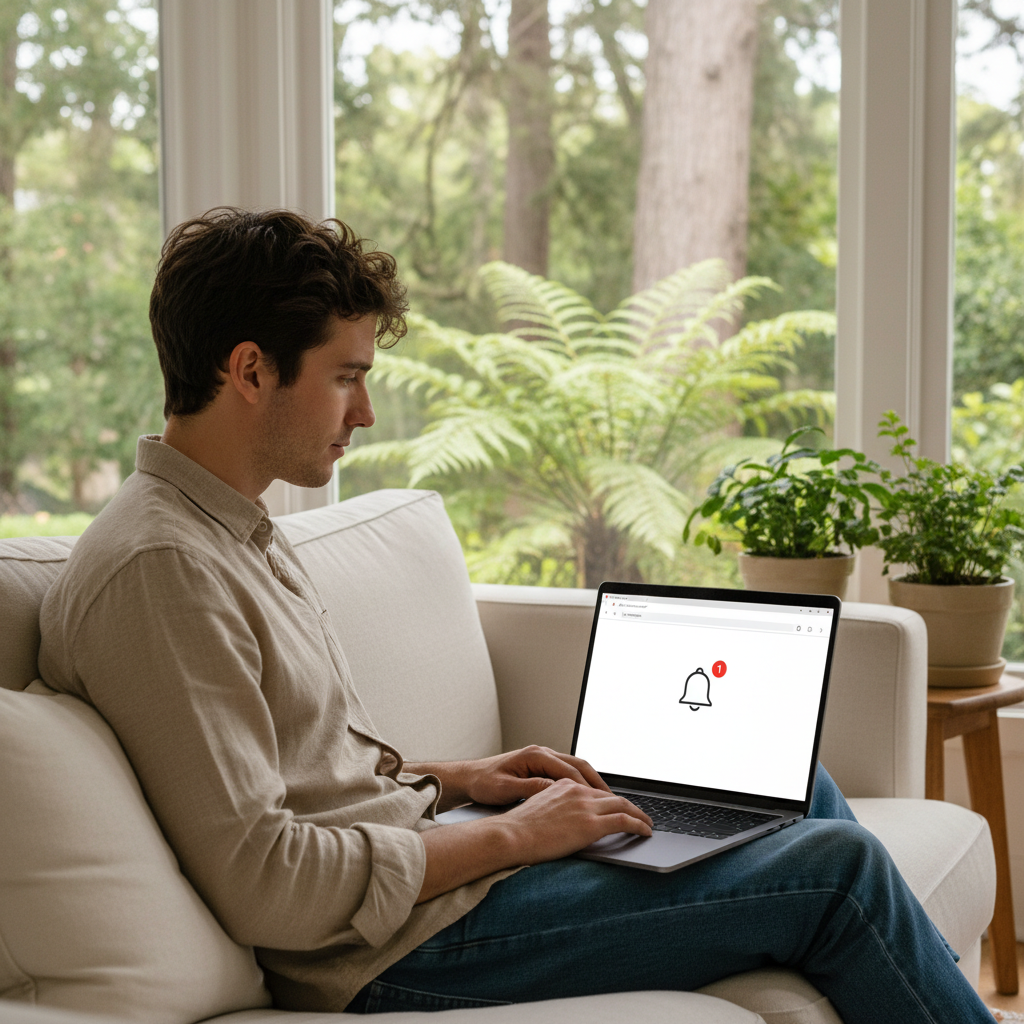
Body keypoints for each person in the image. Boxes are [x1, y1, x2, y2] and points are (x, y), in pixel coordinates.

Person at [38, 207, 993, 1023]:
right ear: (249, 370)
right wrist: (518, 836)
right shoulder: (162, 571)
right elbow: (268, 882)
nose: (364, 412)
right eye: (345, 375)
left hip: (440, 885)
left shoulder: (230, 530)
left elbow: (303, 774)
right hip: (392, 953)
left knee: (770, 781)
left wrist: (465, 780)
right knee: (833, 869)